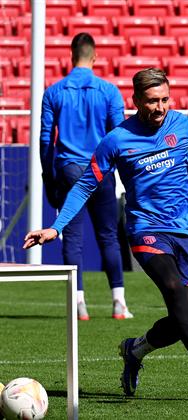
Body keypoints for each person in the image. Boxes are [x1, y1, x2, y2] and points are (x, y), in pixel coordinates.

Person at [24, 68, 188, 397]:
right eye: (151, 101)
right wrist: (55, 227)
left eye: (164, 99)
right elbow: (85, 186)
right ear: (135, 101)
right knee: (173, 289)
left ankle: (135, 351)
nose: (160, 107)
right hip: (145, 231)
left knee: (182, 319)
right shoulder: (117, 139)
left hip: (186, 232)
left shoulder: (185, 125)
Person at [39, 32, 133, 321]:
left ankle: (79, 304)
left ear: (71, 56)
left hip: (68, 170)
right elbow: (120, 135)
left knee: (73, 239)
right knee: (108, 237)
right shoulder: (109, 91)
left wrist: (49, 175)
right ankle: (118, 302)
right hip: (99, 169)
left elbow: (46, 140)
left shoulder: (54, 92)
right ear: (94, 57)